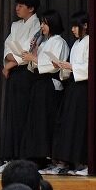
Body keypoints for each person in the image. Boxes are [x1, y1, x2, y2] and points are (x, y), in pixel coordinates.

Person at [0, 0, 41, 173]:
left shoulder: (37, 25)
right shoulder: (15, 25)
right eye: (17, 5)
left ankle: (22, 159)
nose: (17, 8)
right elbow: (8, 45)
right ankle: (9, 157)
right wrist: (9, 62)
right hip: (14, 73)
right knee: (11, 115)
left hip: (27, 74)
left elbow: (27, 52)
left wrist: (9, 65)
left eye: (21, 5)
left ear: (31, 8)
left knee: (23, 116)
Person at [19, 9, 69, 167]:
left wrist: (34, 58)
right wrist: (33, 52)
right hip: (39, 83)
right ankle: (37, 156)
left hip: (49, 84)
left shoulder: (59, 41)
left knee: (46, 121)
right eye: (41, 23)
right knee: (36, 121)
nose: (42, 26)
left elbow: (54, 65)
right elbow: (35, 64)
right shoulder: (44, 42)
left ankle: (49, 157)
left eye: (44, 23)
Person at [48, 11, 90, 176]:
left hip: (83, 86)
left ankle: (85, 162)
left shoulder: (89, 42)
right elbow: (71, 68)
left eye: (76, 26)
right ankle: (71, 162)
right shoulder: (77, 43)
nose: (73, 29)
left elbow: (89, 66)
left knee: (80, 124)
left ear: (85, 25)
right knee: (68, 124)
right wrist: (61, 67)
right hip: (73, 86)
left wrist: (71, 67)